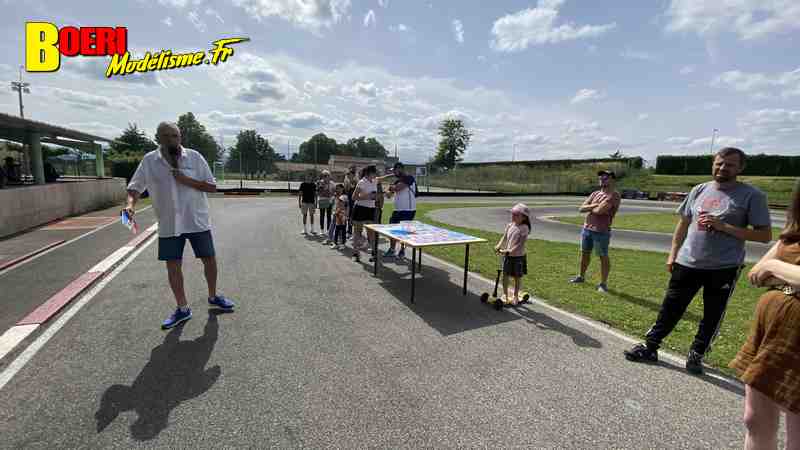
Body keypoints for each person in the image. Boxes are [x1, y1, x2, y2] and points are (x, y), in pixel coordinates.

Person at [624, 147, 772, 375]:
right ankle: (650, 347)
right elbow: (683, 224)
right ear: (713, 163)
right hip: (687, 262)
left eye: (730, 164)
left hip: (724, 267)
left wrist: (724, 227)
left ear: (740, 168)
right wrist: (673, 253)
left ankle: (696, 354)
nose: (723, 168)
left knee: (712, 314)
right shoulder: (699, 189)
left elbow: (764, 236)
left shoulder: (752, 196)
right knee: (670, 308)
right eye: (719, 163)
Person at [125, 122, 235, 329]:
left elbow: (211, 186)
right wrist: (129, 207)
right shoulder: (150, 161)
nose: (171, 139)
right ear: (158, 138)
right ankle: (182, 308)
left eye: (174, 135)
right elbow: (135, 187)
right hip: (169, 224)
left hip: (196, 220)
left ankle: (213, 296)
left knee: (209, 259)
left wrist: (186, 180)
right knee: (173, 265)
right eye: (166, 136)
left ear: (180, 137)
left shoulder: (194, 157)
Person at [730, 181, 800, 449]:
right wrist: (784, 274)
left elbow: (767, 268)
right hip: (772, 336)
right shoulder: (791, 235)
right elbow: (755, 275)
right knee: (755, 419)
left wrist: (775, 266)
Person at [569, 170, 621, 293]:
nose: (602, 179)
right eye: (601, 177)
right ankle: (581, 276)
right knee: (584, 253)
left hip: (601, 231)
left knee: (602, 256)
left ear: (612, 180)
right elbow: (581, 209)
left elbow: (600, 211)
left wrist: (591, 207)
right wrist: (595, 205)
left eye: (605, 177)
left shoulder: (614, 195)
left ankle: (603, 284)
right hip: (587, 228)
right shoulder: (595, 193)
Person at [494, 203, 532, 306]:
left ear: (524, 217)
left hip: (518, 257)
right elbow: (504, 237)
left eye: (516, 215)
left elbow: (521, 243)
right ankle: (505, 295)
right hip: (508, 255)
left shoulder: (524, 228)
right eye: (512, 214)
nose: (513, 216)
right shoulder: (510, 225)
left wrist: (510, 250)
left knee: (517, 277)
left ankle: (515, 295)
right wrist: (499, 245)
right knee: (505, 275)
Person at [381, 162, 417, 261]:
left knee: (404, 232)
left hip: (408, 210)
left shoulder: (409, 177)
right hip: (397, 210)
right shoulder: (397, 181)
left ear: (400, 169)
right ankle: (392, 250)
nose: (394, 173)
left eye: (395, 170)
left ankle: (402, 250)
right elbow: (389, 195)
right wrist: (386, 191)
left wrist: (390, 188)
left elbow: (397, 188)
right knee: (392, 230)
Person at [351, 165, 378, 262]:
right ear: (369, 173)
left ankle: (374, 253)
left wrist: (393, 173)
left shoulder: (374, 180)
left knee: (371, 232)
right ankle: (356, 253)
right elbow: (354, 197)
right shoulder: (361, 182)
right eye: (374, 172)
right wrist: (368, 196)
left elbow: (383, 178)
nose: (376, 174)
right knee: (358, 232)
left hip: (370, 209)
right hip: (360, 209)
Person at [317, 170, 336, 243]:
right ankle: (322, 230)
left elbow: (334, 192)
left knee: (328, 216)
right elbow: (318, 192)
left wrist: (331, 194)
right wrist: (322, 186)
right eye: (324, 176)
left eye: (327, 175)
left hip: (329, 201)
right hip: (322, 200)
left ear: (329, 176)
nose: (325, 177)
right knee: (322, 215)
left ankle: (328, 230)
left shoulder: (332, 183)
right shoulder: (320, 182)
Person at [331, 183, 349, 250]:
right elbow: (336, 205)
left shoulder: (344, 196)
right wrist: (335, 212)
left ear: (342, 188)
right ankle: (336, 243)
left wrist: (346, 215)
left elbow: (345, 206)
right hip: (338, 215)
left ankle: (343, 244)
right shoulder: (336, 196)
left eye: (338, 188)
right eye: (336, 188)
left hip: (342, 216)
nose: (337, 189)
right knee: (337, 230)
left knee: (343, 230)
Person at [343, 165, 358, 238]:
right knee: (346, 216)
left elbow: (354, 191)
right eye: (347, 175)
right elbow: (345, 191)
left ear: (353, 175)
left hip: (353, 202)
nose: (348, 176)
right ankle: (347, 231)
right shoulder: (346, 181)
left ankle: (350, 232)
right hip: (347, 200)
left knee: (351, 217)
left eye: (349, 174)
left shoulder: (355, 182)